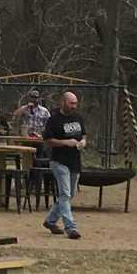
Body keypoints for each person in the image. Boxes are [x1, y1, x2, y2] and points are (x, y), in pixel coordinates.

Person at [42, 90, 87, 239]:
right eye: (71, 103)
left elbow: (84, 135)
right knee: (65, 194)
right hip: (59, 162)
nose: (74, 106)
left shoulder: (78, 117)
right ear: (63, 102)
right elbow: (48, 140)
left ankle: (50, 221)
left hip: (75, 161)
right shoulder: (54, 120)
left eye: (75, 103)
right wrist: (65, 142)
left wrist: (83, 142)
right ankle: (71, 227)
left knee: (68, 195)